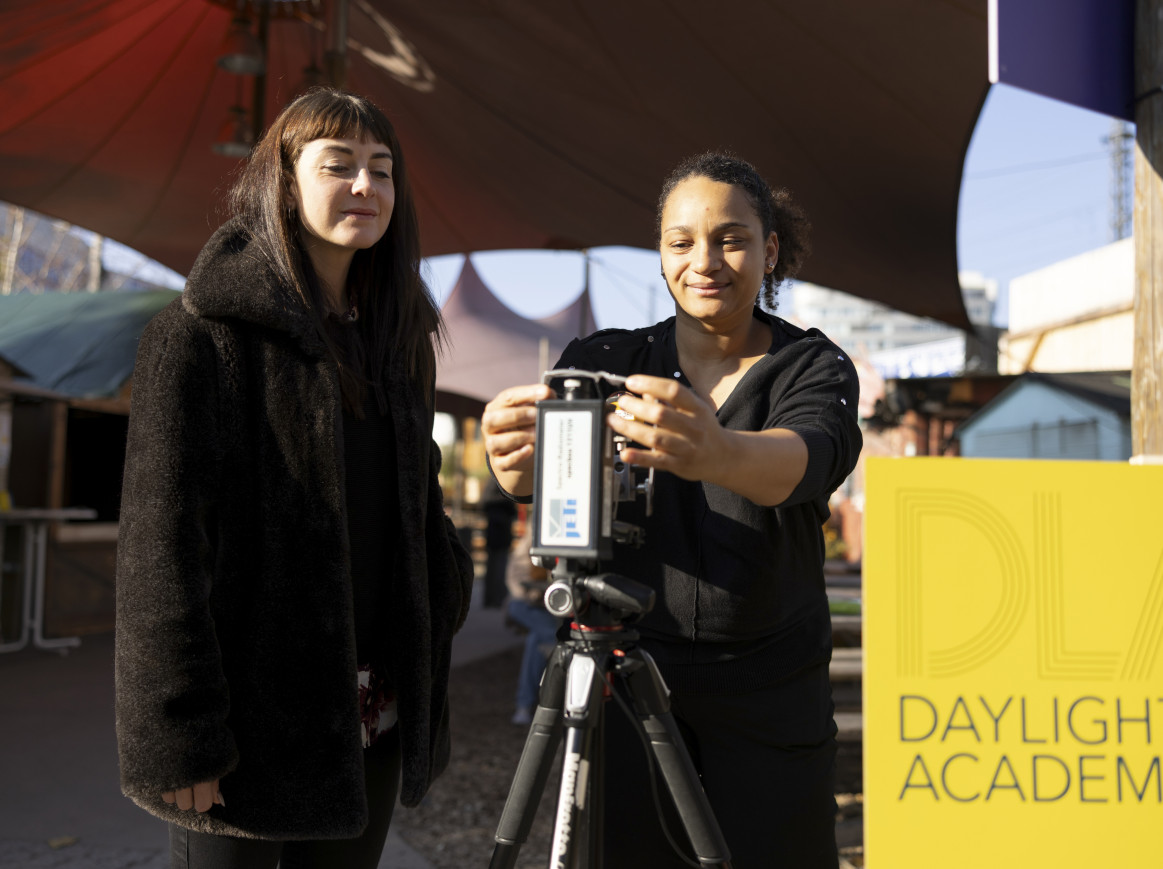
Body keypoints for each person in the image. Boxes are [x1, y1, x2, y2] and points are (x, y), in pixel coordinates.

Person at [114, 88, 474, 869]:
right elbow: (160, 553)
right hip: (245, 730)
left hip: (370, 720)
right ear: (283, 178)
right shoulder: (198, 339)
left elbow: (420, 511)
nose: (365, 186)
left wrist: (442, 588)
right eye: (338, 165)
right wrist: (182, 734)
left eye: (382, 170)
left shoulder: (397, 345)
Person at [480, 152, 862, 868]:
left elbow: (806, 459)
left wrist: (715, 451)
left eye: (732, 237)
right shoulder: (604, 360)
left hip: (769, 688)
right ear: (659, 254)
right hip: (624, 672)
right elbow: (550, 481)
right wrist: (516, 471)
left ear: (769, 248)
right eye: (680, 241)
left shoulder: (814, 365)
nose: (704, 260)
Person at [502, 524, 558, 725]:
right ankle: (545, 699)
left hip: (548, 606)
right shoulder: (538, 530)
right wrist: (533, 593)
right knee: (550, 634)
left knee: (537, 640)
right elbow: (515, 574)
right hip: (525, 602)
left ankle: (525, 704)